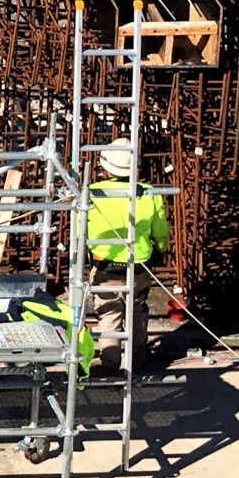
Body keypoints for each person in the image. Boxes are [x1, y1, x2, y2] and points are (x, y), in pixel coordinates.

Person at [84, 142, 171, 367]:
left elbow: (78, 230)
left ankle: (110, 364)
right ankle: (137, 360)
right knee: (137, 311)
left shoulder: (92, 193)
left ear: (104, 167)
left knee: (109, 314)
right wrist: (161, 248)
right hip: (138, 264)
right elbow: (161, 230)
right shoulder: (149, 193)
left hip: (104, 265)